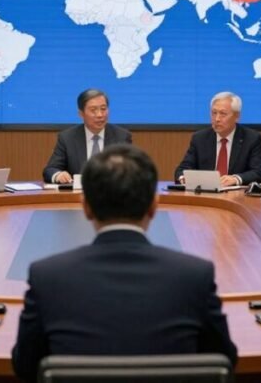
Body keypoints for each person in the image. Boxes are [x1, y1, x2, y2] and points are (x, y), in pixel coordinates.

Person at [13, 144, 238, 381]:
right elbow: (225, 359)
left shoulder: (47, 277)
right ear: (153, 206)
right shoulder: (195, 276)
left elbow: (25, 366)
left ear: (86, 207)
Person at [174, 92, 261, 186]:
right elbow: (182, 169)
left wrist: (235, 179)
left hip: (236, 196)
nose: (217, 119)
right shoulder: (200, 138)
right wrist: (183, 178)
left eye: (223, 114)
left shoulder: (251, 138)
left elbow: (258, 172)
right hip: (206, 194)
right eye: (214, 113)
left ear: (237, 116)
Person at [42, 88, 132, 183]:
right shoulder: (67, 138)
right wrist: (58, 175)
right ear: (81, 114)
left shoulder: (122, 136)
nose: (100, 115)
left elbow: (132, 170)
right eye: (93, 110)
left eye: (103, 109)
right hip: (78, 195)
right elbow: (50, 169)